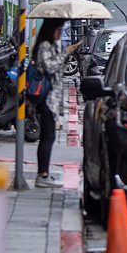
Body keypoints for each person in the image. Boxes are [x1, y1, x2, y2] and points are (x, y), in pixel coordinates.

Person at [31, 18, 81, 188]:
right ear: (50, 29)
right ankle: (42, 175)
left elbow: (58, 69)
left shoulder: (51, 46)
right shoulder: (44, 46)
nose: (60, 33)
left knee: (48, 137)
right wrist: (65, 52)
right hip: (46, 98)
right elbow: (50, 67)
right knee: (48, 137)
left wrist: (67, 53)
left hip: (53, 98)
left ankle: (43, 174)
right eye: (58, 29)